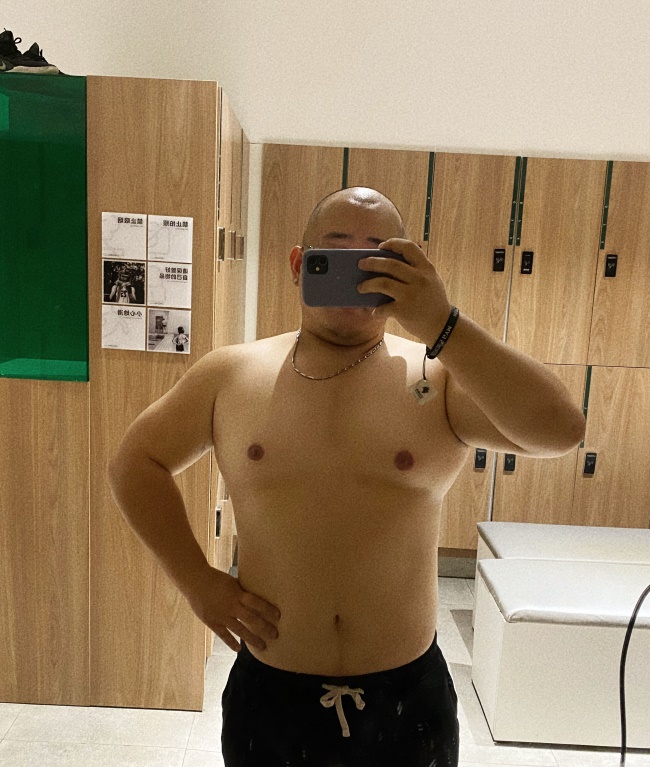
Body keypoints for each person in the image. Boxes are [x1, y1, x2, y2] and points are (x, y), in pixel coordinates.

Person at [108, 187, 586, 766]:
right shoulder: (231, 375)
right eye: (335, 255)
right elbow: (136, 462)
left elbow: (561, 430)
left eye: (378, 259)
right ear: (298, 265)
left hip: (407, 694)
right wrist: (197, 582)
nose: (357, 275)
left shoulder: (438, 379)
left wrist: (444, 323)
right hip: (272, 693)